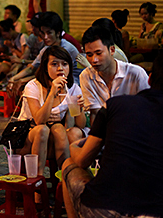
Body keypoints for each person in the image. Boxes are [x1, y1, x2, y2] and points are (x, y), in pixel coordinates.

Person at [61, 52, 163, 218]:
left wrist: (73, 146)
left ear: (149, 79)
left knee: (69, 164)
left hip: (107, 210)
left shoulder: (117, 105)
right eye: (90, 54)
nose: (94, 60)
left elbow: (82, 159)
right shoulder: (87, 78)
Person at [16, 46, 84, 178]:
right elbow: (39, 120)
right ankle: (38, 183)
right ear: (45, 67)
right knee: (43, 130)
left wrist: (78, 108)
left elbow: (79, 124)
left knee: (61, 129)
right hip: (28, 136)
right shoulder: (33, 86)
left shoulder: (74, 88)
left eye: (65, 64)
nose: (60, 68)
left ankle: (63, 177)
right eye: (54, 64)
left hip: (55, 139)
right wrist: (52, 92)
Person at [79, 25, 149, 125]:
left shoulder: (136, 74)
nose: (94, 60)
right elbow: (95, 114)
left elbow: (149, 107)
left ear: (111, 50)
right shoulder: (86, 76)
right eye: (89, 55)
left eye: (99, 53)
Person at [11, 11, 80, 88]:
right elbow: (31, 68)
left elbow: (54, 75)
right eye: (43, 33)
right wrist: (13, 78)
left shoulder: (65, 48)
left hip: (73, 82)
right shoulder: (47, 48)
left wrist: (25, 80)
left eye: (49, 33)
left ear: (58, 33)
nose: (45, 37)